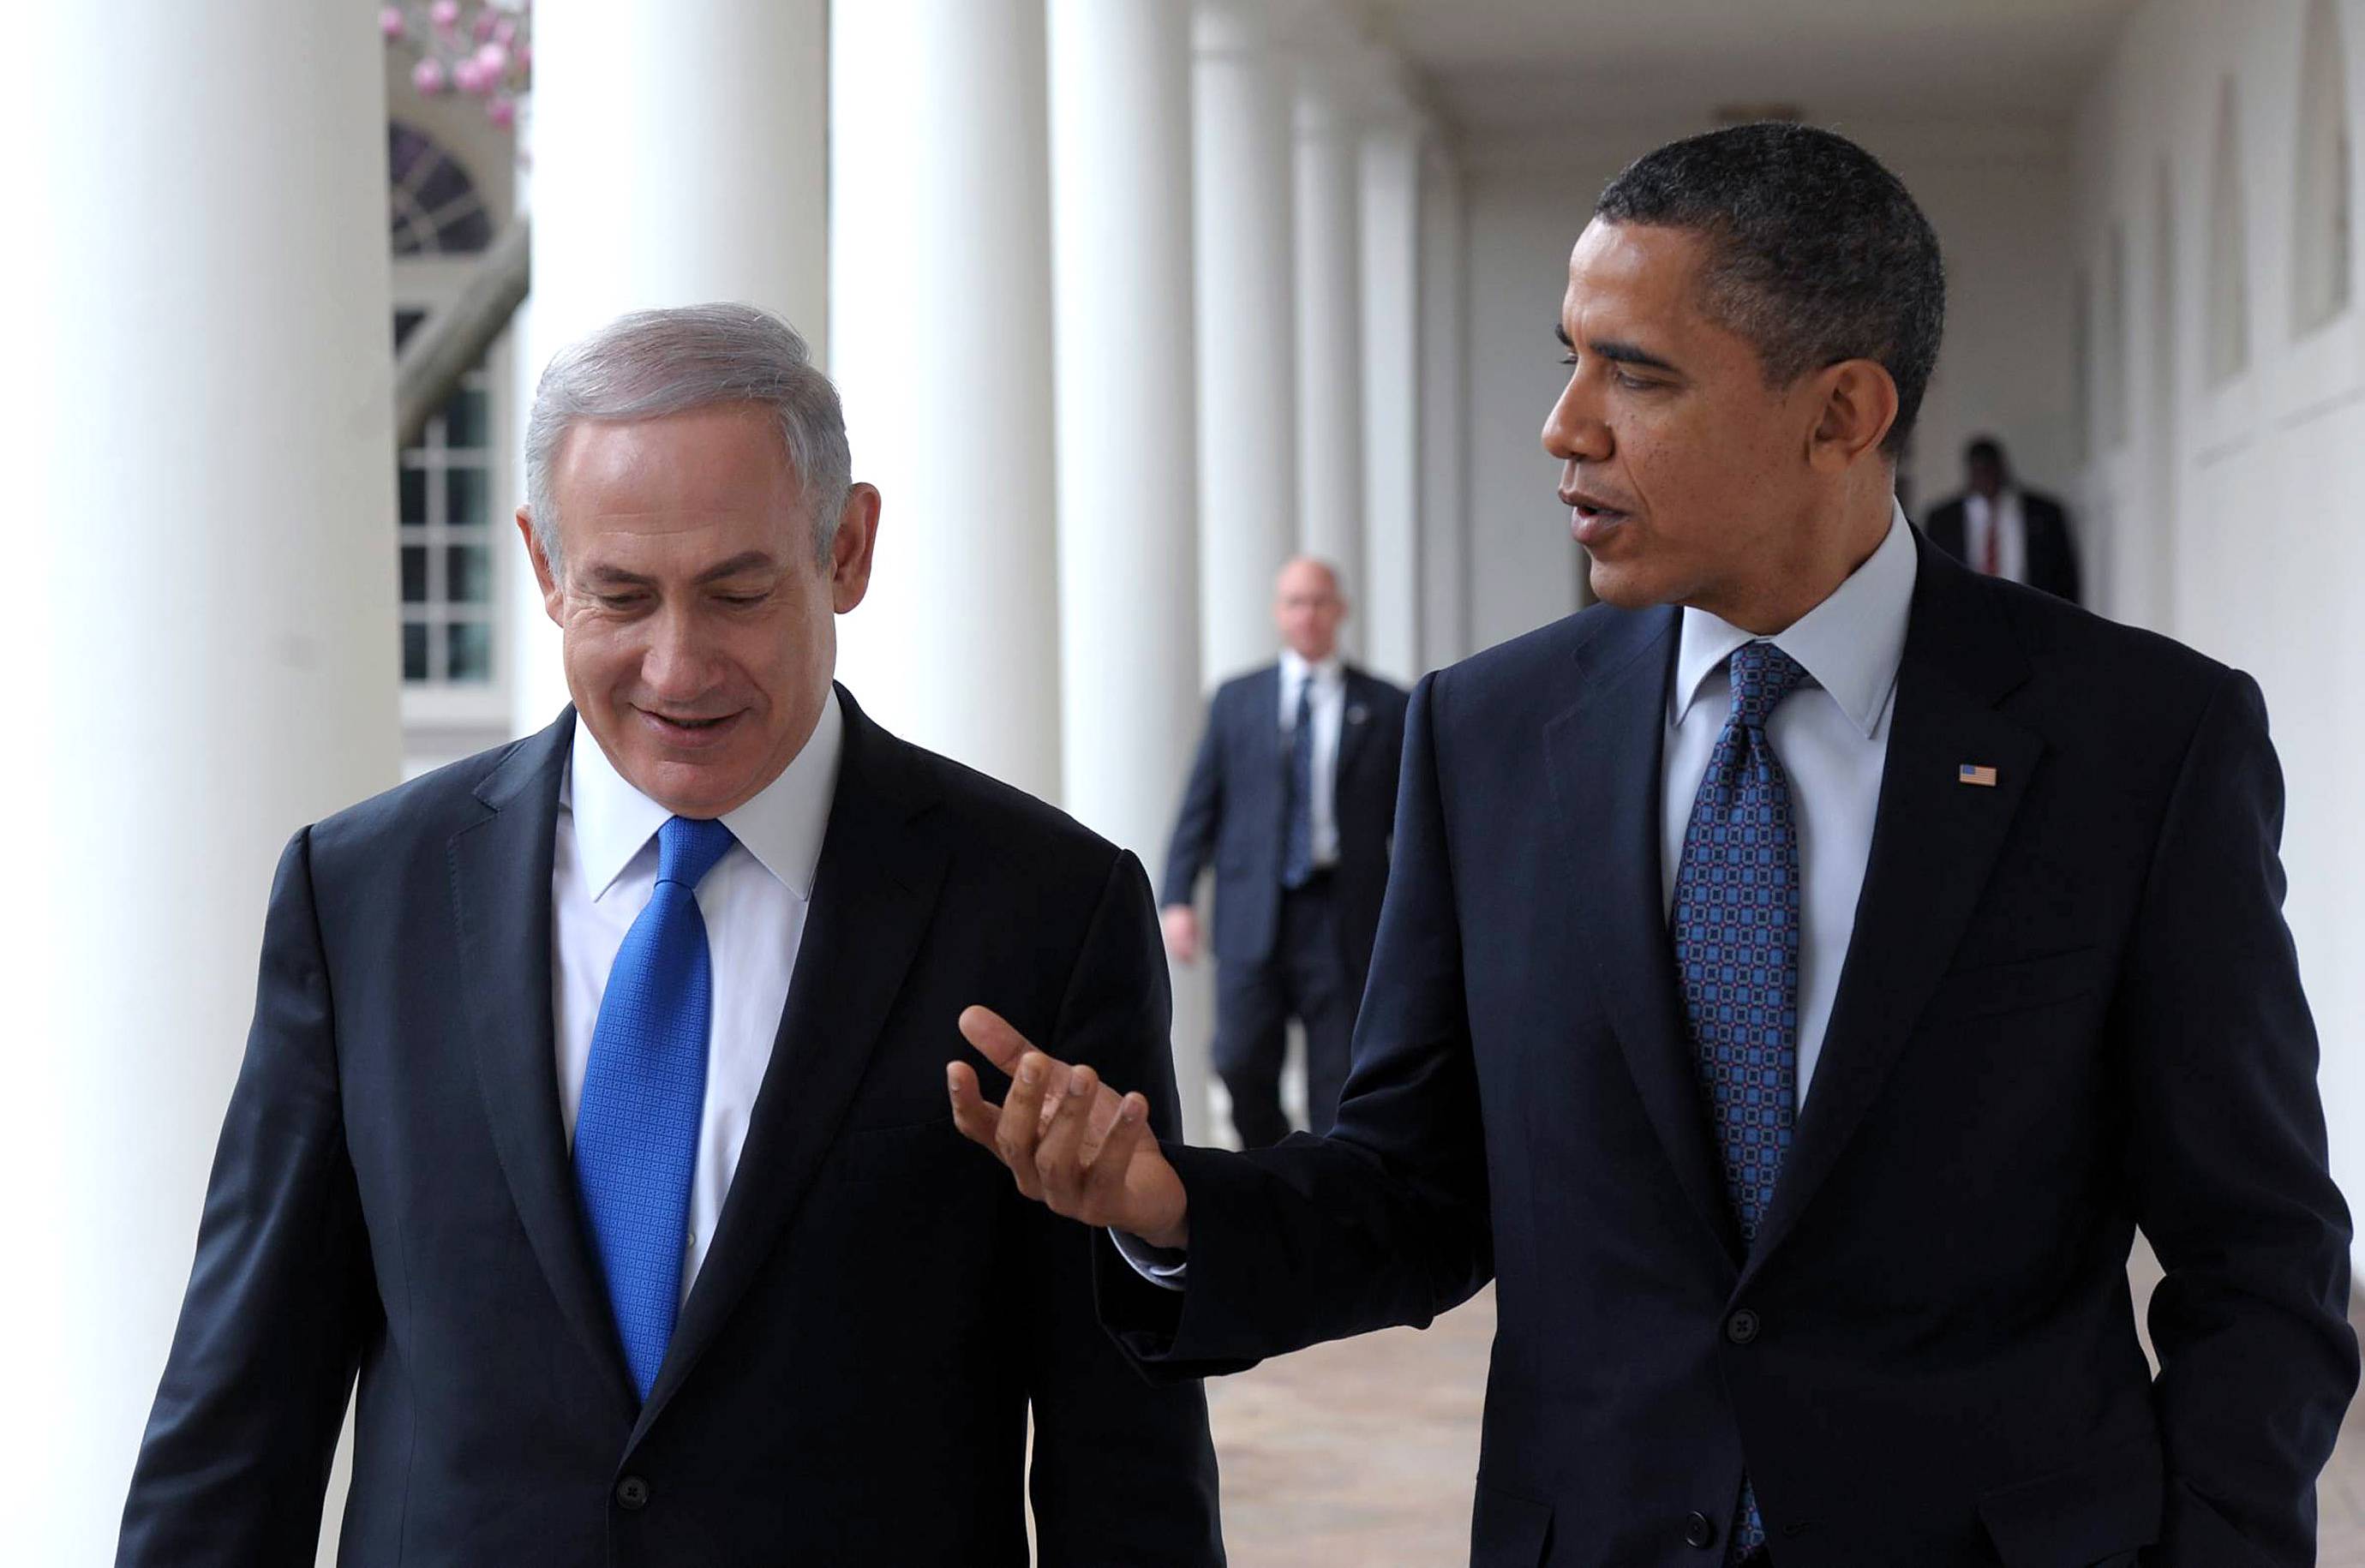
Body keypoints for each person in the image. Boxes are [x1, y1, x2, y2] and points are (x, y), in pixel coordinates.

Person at [948, 125, 2356, 1565]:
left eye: (1639, 373)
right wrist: (1173, 1205)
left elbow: (2262, 1255)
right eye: (1570, 356)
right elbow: (1418, 1189)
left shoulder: (2143, 744)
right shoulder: (1485, 738)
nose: (1567, 423)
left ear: (1844, 412)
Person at [118, 304, 1223, 1565]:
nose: (677, 664)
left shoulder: (1047, 911)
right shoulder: (362, 894)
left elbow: (1123, 1454)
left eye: (738, 592)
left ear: (849, 548)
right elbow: (240, 1405)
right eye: (622, 596)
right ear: (542, 565)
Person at [1159, 558, 1408, 1146]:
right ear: (1278, 613)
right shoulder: (1237, 700)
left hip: (1343, 911)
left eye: (1320, 601)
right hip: (1254, 910)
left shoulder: (1387, 706)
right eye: (1295, 602)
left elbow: (1411, 823)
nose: (1308, 614)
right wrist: (1177, 897)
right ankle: (1270, 1170)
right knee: (1240, 1059)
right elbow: (1201, 804)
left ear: (1340, 610)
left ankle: (1327, 1191)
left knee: (1340, 1074)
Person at [1923, 434, 2083, 603]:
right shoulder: (1942, 520)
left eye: (1990, 468)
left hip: (2032, 615)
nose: (1986, 478)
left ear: (2002, 467)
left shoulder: (2045, 514)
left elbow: (2066, 578)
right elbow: (1931, 577)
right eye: (1979, 470)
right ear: (1969, 472)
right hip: (1966, 617)